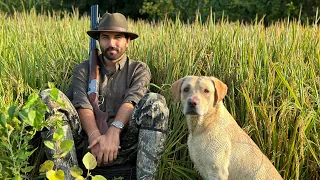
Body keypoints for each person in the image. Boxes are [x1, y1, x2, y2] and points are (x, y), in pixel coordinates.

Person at [40, 12, 169, 180]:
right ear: (99, 40)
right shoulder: (83, 69)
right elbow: (82, 104)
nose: (111, 43)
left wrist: (113, 133)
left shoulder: (139, 69)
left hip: (125, 145)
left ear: (128, 41)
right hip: (88, 147)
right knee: (49, 97)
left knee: (155, 102)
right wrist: (95, 136)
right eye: (105, 37)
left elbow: (132, 100)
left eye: (118, 37)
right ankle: (67, 177)